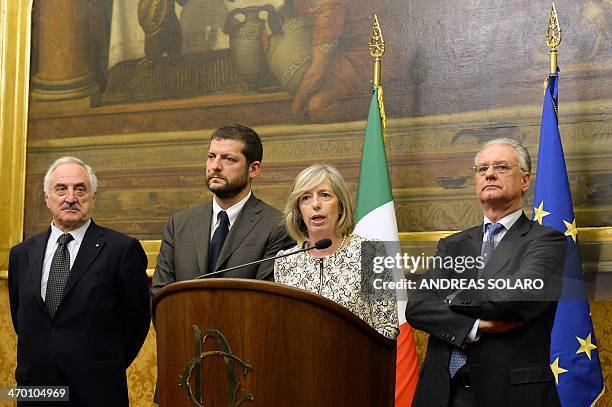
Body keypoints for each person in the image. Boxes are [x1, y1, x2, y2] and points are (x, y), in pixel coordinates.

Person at [405, 138, 566, 407]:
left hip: (511, 395)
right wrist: (475, 325)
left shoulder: (546, 241)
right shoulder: (452, 245)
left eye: (501, 167)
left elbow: (515, 297)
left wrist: (451, 298)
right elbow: (417, 307)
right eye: (482, 169)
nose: (489, 174)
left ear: (525, 180)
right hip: (443, 393)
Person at [8, 156, 150, 406]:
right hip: (35, 392)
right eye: (61, 188)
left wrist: (101, 366)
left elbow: (136, 323)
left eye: (80, 189)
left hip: (96, 391)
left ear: (93, 198)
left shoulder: (121, 249)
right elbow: (23, 319)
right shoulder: (21, 254)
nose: (71, 198)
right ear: (47, 198)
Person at [152, 124, 294, 295]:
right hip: (184, 321)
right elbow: (161, 295)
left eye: (228, 159)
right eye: (211, 156)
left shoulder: (276, 226)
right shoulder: (179, 223)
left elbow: (265, 300)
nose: (215, 166)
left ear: (253, 169)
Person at [274, 164, 399, 339]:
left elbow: (387, 327)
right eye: (306, 198)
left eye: (325, 195)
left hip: (354, 361)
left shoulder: (370, 253)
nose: (316, 204)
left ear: (341, 206)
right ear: (299, 212)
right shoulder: (285, 261)